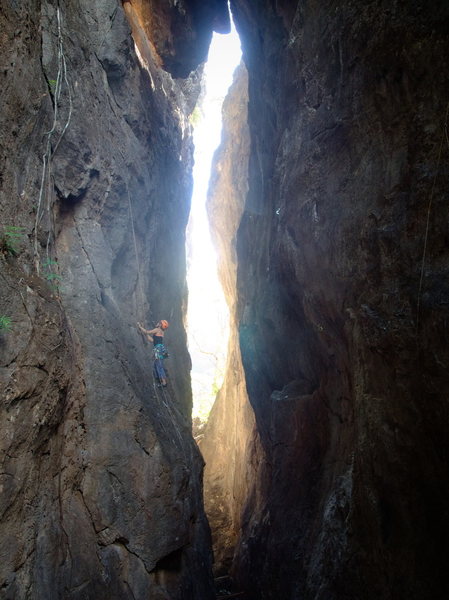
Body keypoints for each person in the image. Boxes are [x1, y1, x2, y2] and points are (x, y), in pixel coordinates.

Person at [137, 320, 169, 386]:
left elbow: (147, 332)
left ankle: (164, 382)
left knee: (159, 365)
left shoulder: (157, 330)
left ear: (160, 325)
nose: (157, 323)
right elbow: (152, 340)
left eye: (159, 323)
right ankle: (160, 380)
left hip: (158, 349)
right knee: (156, 365)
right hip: (160, 349)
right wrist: (145, 334)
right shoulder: (161, 332)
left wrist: (140, 327)